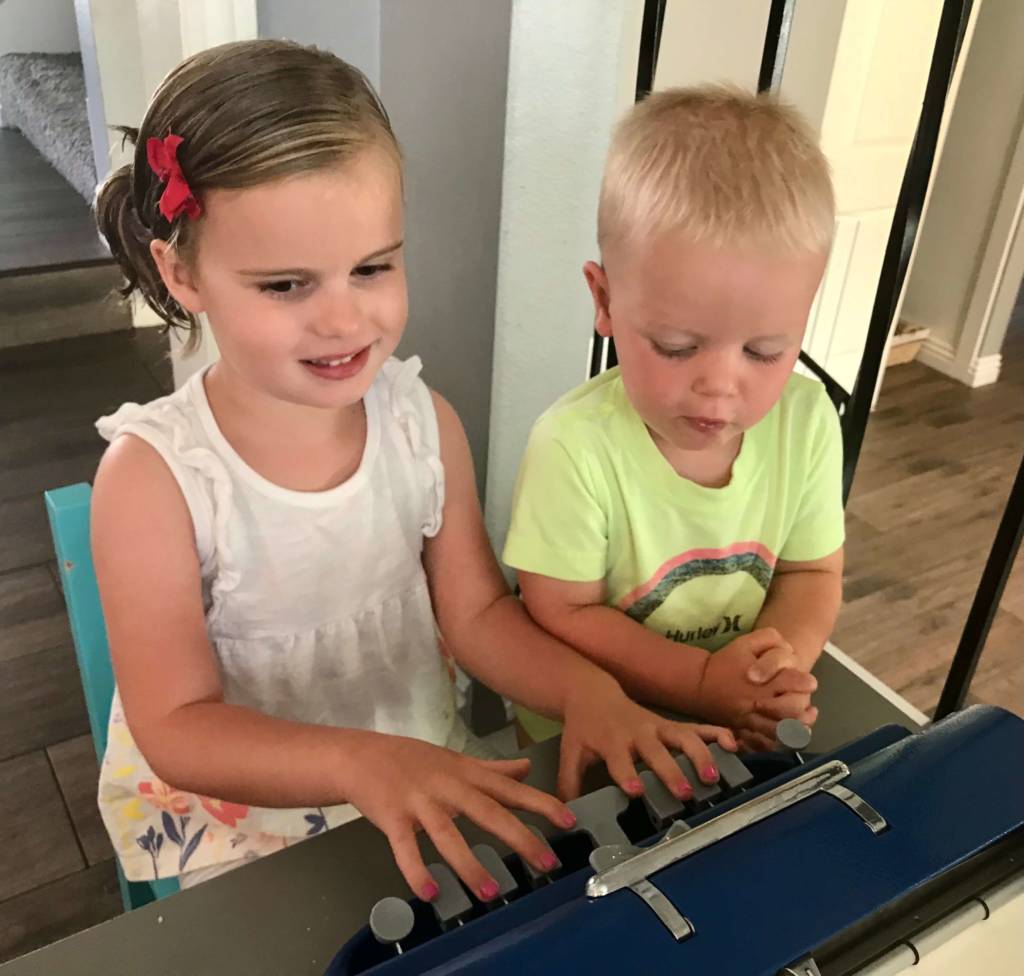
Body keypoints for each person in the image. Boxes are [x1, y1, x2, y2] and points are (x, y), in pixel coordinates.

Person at [90, 41, 734, 899]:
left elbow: (477, 615)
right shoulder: (154, 481)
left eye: (372, 267)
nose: (343, 318)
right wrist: (361, 763)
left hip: (425, 775)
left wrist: (585, 690)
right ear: (182, 272)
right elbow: (177, 725)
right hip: (246, 832)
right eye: (285, 285)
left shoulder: (419, 422)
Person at [504, 87, 843, 752]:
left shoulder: (806, 424)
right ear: (604, 300)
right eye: (677, 346)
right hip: (597, 730)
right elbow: (561, 609)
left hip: (733, 720)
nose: (719, 386)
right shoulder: (572, 446)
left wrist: (773, 672)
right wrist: (701, 681)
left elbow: (812, 574)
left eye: (764, 351)